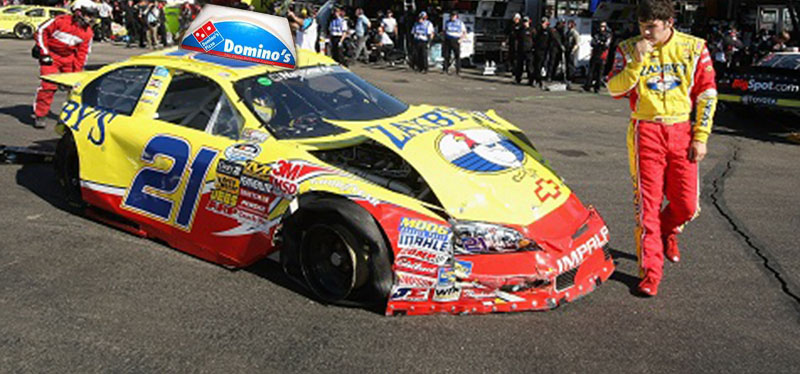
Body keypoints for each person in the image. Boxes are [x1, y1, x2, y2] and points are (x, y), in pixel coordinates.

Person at [607, 0, 717, 297]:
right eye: (641, 26)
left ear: (669, 22)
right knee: (647, 207)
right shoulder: (629, 48)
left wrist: (701, 135)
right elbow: (614, 89)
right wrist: (637, 63)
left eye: (652, 26)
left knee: (687, 206)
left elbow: (707, 93)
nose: (645, 32)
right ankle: (651, 272)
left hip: (682, 129)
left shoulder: (694, 48)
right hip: (645, 130)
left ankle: (670, 230)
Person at [31, 3, 96, 129]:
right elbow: (41, 31)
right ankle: (40, 114)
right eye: (88, 14)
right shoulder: (61, 21)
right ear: (78, 12)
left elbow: (82, 54)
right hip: (51, 57)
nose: (90, 18)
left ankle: (69, 118)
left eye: (92, 15)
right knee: (48, 86)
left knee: (74, 89)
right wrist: (44, 52)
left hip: (69, 59)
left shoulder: (88, 33)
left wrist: (77, 73)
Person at [584, 21, 611, 93]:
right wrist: (599, 43)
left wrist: (600, 43)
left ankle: (597, 87)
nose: (602, 28)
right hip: (595, 54)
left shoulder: (608, 35)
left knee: (600, 72)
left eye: (603, 26)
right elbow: (592, 43)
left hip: (602, 55)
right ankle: (588, 86)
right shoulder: (596, 34)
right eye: (601, 26)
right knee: (591, 71)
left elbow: (606, 45)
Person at [512, 16, 535, 85]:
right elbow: (516, 38)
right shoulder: (520, 30)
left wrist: (533, 48)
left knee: (529, 66)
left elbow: (535, 39)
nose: (525, 23)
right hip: (521, 50)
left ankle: (531, 80)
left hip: (529, 50)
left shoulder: (532, 30)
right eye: (524, 22)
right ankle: (518, 79)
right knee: (519, 66)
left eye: (526, 22)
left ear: (529, 22)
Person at [532, 17, 550, 88]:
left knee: (543, 66)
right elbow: (534, 38)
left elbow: (553, 39)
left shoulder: (549, 31)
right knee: (537, 65)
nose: (543, 24)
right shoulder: (538, 30)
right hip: (537, 50)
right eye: (542, 23)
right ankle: (537, 80)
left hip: (545, 51)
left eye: (544, 23)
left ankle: (541, 80)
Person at [565, 19, 580, 86]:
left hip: (572, 51)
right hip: (567, 50)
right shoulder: (568, 32)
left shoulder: (574, 33)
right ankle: (567, 77)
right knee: (567, 64)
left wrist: (573, 50)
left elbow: (577, 43)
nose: (568, 25)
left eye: (570, 24)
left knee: (571, 64)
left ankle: (571, 78)